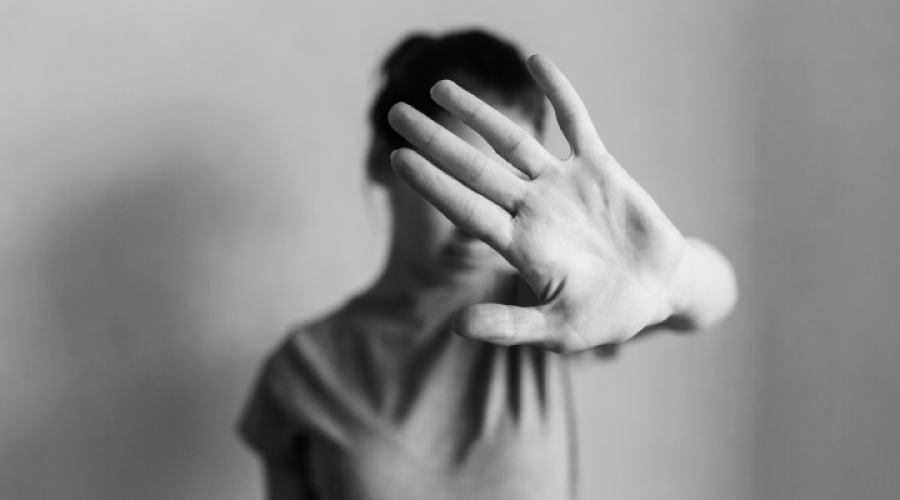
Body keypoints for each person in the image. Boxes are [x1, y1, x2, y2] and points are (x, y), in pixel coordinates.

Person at [239, 29, 737, 500]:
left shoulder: (544, 305)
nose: (476, 223)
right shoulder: (303, 368)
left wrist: (674, 279)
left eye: (509, 190)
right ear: (379, 159)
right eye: (453, 178)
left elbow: (717, 297)